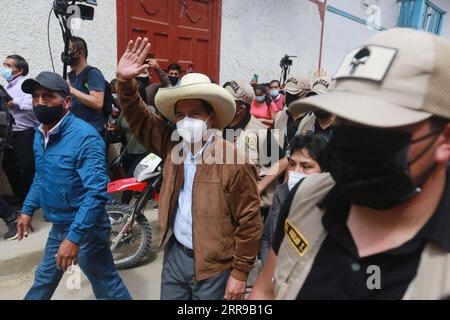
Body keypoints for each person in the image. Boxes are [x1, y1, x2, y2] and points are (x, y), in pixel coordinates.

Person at [252, 28, 450, 300]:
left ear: (444, 139)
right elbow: (264, 291)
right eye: (346, 119)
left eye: (379, 125)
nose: (355, 140)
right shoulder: (306, 198)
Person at [116, 37, 262, 300]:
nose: (185, 122)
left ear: (211, 118)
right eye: (180, 115)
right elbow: (139, 117)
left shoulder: (234, 161)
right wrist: (125, 84)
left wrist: (240, 274)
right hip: (175, 254)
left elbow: (249, 222)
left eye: (194, 114)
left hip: (214, 267)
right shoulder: (172, 146)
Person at [18, 71, 131, 300]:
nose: (40, 102)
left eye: (48, 96)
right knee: (44, 280)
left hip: (87, 229)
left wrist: (74, 237)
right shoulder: (40, 133)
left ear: (67, 102)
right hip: (59, 225)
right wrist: (27, 209)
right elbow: (41, 176)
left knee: (106, 285)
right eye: (36, 96)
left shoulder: (85, 137)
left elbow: (97, 192)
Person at [258, 133, 328, 264]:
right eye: (292, 164)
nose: (296, 171)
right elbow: (267, 238)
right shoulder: (281, 193)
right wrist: (269, 272)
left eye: (306, 166)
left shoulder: (330, 206)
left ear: (324, 171)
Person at [1, 55, 38, 205]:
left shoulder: (25, 84)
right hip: (9, 134)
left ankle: (31, 201)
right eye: (4, 64)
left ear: (19, 70)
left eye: (8, 65)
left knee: (27, 168)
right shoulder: (7, 87)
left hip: (25, 134)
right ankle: (21, 198)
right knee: (9, 166)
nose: (4, 68)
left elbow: (33, 104)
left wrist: (13, 102)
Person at [67, 37, 107, 134]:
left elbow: (98, 102)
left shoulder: (93, 73)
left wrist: (71, 90)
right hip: (74, 131)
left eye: (69, 50)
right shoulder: (70, 76)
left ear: (79, 53)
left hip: (91, 132)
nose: (66, 53)